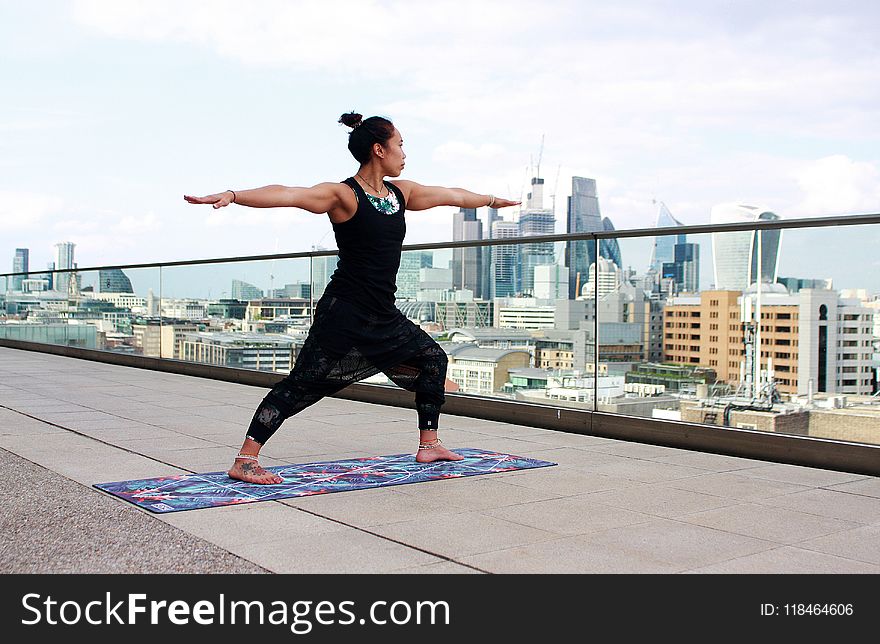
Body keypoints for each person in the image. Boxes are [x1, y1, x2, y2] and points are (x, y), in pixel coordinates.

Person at [184, 112, 519, 484]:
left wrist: (491, 200)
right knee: (302, 385)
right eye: (400, 145)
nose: (404, 153)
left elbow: (450, 195)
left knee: (433, 358)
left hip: (382, 313)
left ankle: (429, 444)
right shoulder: (343, 195)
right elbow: (289, 194)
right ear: (379, 149)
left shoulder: (400, 193)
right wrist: (233, 195)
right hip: (345, 311)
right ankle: (246, 460)